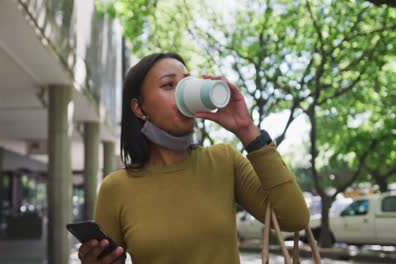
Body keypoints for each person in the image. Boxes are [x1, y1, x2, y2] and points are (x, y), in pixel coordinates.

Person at [77, 52, 309, 264]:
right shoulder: (116, 188)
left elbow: (295, 218)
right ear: (139, 108)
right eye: (168, 85)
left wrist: (246, 129)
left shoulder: (224, 161)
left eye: (186, 82)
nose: (181, 94)